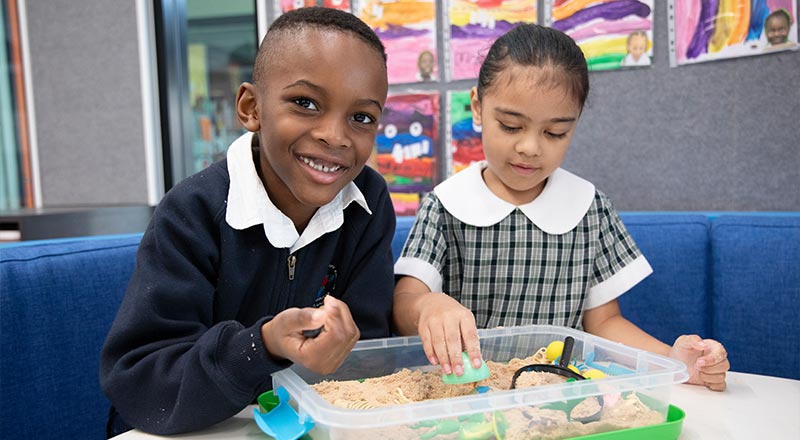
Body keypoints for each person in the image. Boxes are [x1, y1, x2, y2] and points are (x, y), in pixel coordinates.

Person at [100, 7, 393, 436]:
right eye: (305, 103)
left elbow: (369, 352)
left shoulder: (368, 202)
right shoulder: (192, 212)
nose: (335, 135)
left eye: (361, 117)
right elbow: (144, 383)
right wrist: (263, 345)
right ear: (251, 107)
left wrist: (345, 348)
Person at [393, 24, 729, 393]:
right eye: (510, 126)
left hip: (556, 397)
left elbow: (604, 323)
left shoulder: (590, 208)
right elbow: (405, 303)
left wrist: (672, 361)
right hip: (466, 396)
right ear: (477, 106)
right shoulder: (445, 205)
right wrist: (429, 306)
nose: (530, 147)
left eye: (554, 133)